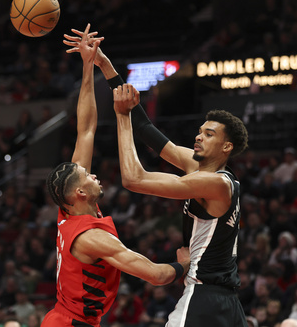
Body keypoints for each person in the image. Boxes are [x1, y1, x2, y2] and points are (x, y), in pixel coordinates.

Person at [41, 24, 190, 327]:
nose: (93, 174)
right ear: (79, 194)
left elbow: (86, 129)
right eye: (87, 176)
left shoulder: (69, 208)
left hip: (65, 319)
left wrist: (87, 65)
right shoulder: (92, 237)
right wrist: (183, 266)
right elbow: (156, 275)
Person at [112, 80, 248, 326]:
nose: (199, 136)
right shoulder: (210, 173)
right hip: (225, 300)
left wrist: (121, 116)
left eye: (209, 134)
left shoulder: (216, 184)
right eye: (200, 131)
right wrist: (106, 67)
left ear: (227, 146)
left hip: (203, 295)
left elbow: (133, 179)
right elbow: (144, 127)